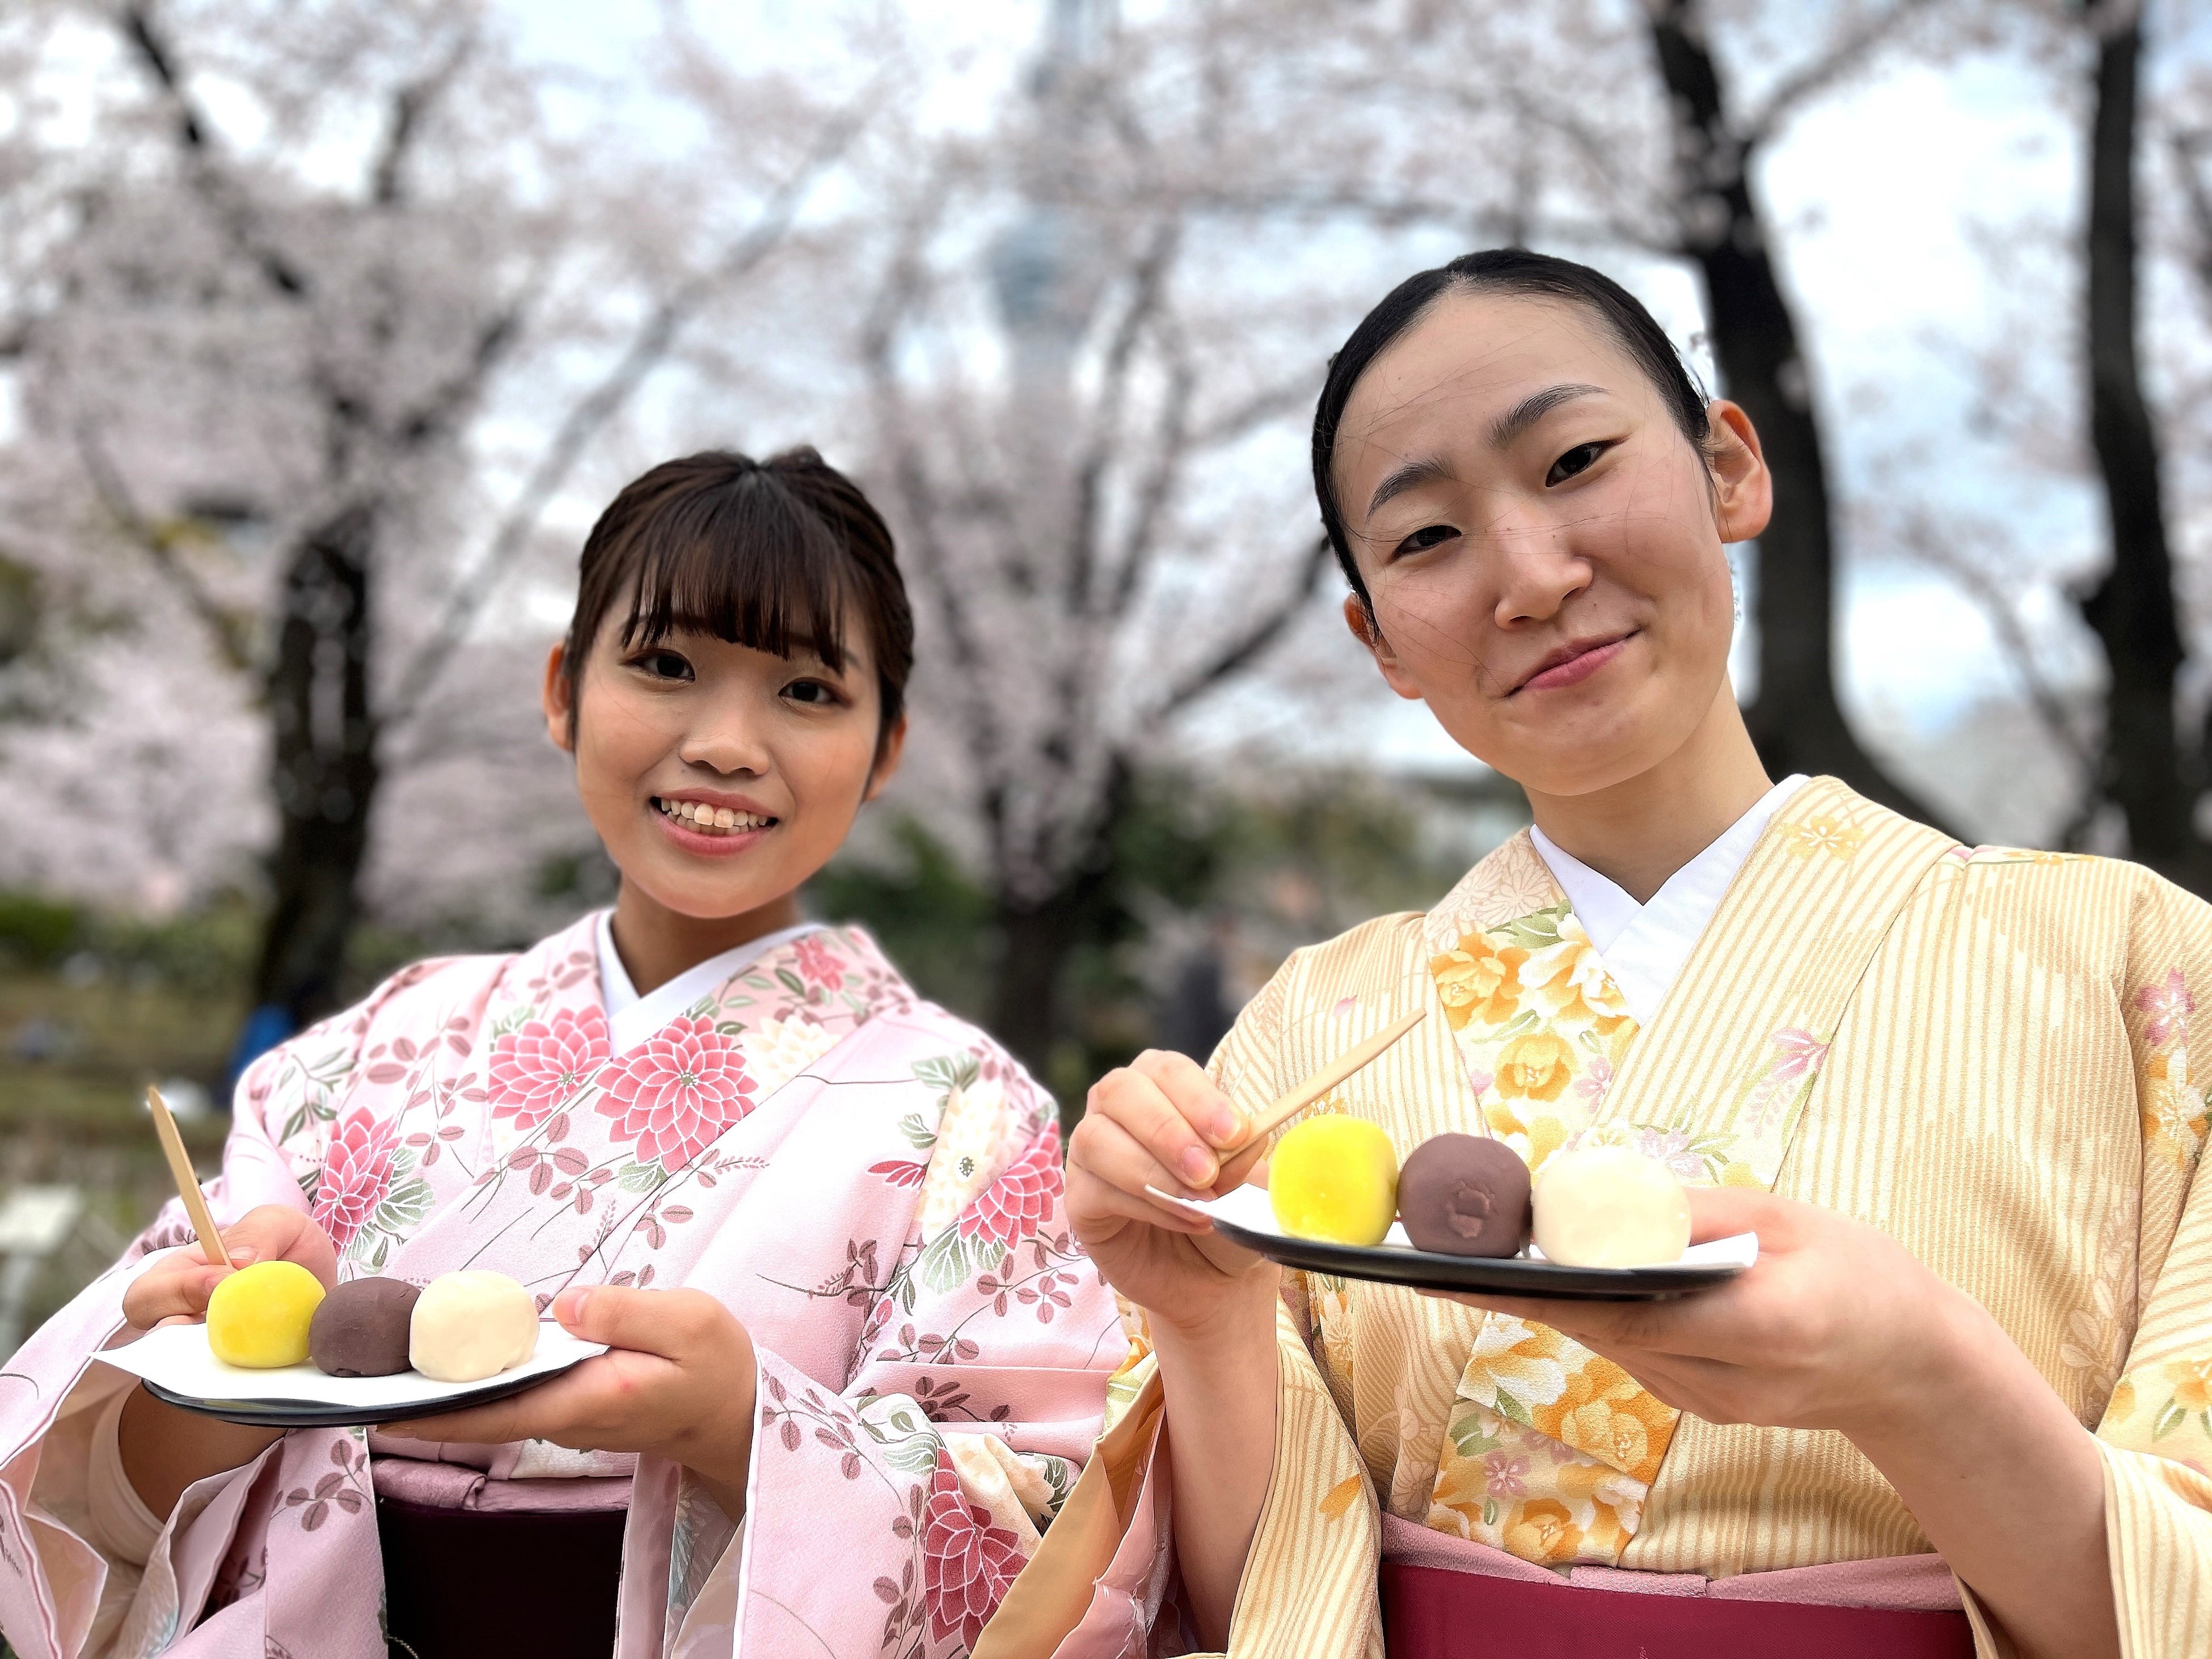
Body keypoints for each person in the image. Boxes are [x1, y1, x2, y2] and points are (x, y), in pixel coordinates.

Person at [1051, 251, 2212, 1659]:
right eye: (1426, 540)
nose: (1533, 577)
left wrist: (1923, 1379)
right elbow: (1259, 1614)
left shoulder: (2142, 970)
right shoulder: (1309, 1038)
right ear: (1380, 642)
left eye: (1578, 458)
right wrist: (1204, 1316)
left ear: (1730, 469)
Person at [0, 449, 1125, 1659]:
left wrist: (746, 1425)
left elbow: (1057, 1530)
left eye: (806, 690)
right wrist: (217, 1363)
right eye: (667, 665)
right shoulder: (359, 1060)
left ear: (887, 745)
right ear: (562, 689)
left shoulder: (967, 1114)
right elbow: (102, 1494)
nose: (729, 744)